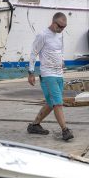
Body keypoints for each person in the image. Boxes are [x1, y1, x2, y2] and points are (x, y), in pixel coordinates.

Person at [26, 12, 74, 141]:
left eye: (64, 27)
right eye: (60, 26)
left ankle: (34, 125)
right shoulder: (42, 35)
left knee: (51, 103)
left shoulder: (60, 35)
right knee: (58, 102)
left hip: (59, 73)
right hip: (48, 74)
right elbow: (33, 53)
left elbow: (60, 51)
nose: (62, 29)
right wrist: (31, 73)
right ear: (53, 23)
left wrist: (62, 61)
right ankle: (65, 130)